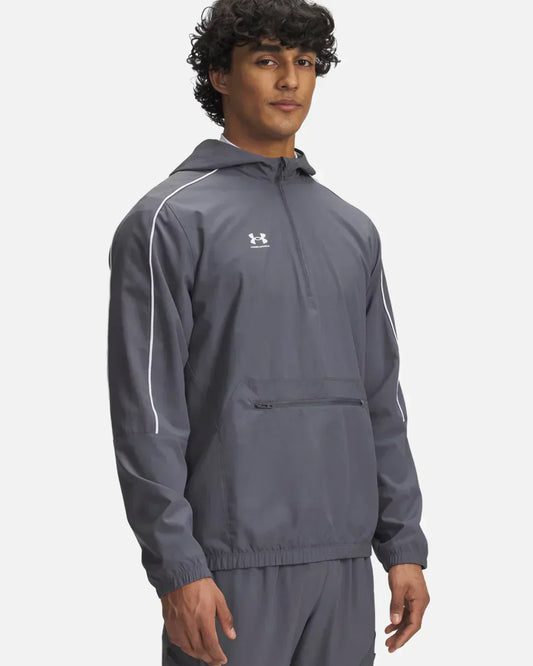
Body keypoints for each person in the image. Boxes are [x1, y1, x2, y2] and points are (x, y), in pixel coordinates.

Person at [106, 1, 430, 664]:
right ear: (220, 77)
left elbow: (381, 398)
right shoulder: (170, 219)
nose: (289, 79)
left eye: (304, 62)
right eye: (265, 60)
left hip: (343, 562)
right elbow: (147, 411)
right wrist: (177, 566)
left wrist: (402, 545)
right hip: (228, 563)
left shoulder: (352, 227)